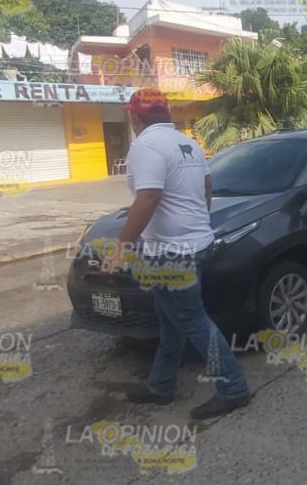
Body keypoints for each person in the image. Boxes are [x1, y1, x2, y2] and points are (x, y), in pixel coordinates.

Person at [106, 88, 251, 420]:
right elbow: (207, 187)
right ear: (167, 114)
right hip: (196, 245)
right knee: (171, 320)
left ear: (134, 117)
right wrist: (196, 223)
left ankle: (233, 388)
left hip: (172, 253)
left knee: (192, 320)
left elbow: (148, 198)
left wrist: (121, 247)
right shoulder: (188, 143)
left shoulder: (146, 146)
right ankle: (161, 385)